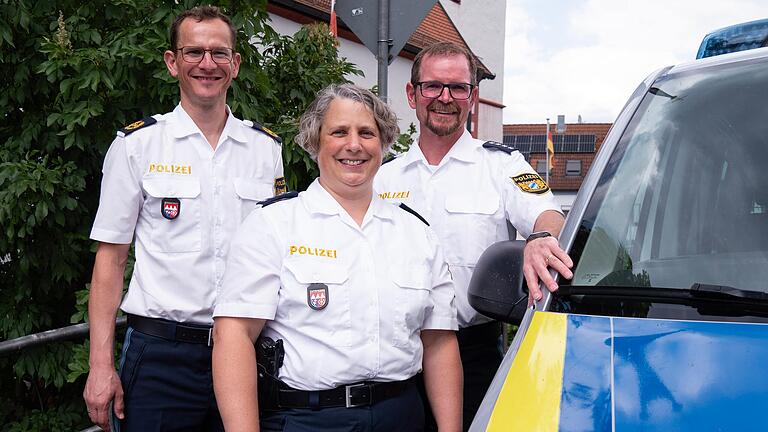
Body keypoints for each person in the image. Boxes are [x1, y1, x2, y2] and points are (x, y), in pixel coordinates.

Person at [212, 84, 462, 432]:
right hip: (307, 419)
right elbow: (234, 334)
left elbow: (439, 342)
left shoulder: (417, 234)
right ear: (315, 141)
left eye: (367, 133)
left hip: (401, 415)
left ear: (384, 143)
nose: (354, 145)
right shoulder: (272, 225)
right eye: (339, 132)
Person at [82, 6, 285, 431]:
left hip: (246, 351)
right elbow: (110, 261)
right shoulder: (137, 146)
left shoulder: (265, 150)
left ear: (236, 64)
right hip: (161, 357)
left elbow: (277, 257)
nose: (207, 64)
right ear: (172, 62)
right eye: (194, 52)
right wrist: (100, 366)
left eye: (219, 53)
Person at [374, 42, 574, 430]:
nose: (445, 98)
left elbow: (549, 215)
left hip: (474, 356)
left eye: (458, 87)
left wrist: (539, 239)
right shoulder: (383, 177)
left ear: (473, 96)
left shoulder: (502, 165)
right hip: (394, 359)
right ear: (412, 94)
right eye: (433, 86)